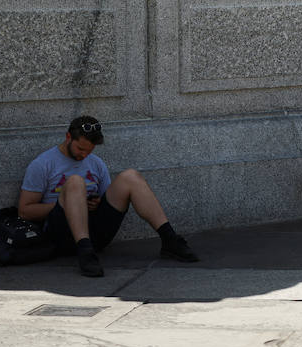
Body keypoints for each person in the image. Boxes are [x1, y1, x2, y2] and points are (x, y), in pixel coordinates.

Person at [18, 115, 199, 276]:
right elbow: (25, 212)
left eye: (89, 151)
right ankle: (84, 251)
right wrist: (71, 203)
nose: (84, 155)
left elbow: (109, 200)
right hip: (62, 233)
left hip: (96, 232)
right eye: (81, 148)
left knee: (130, 176)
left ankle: (169, 239)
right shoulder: (43, 164)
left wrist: (95, 203)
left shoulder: (95, 163)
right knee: (75, 182)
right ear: (68, 137)